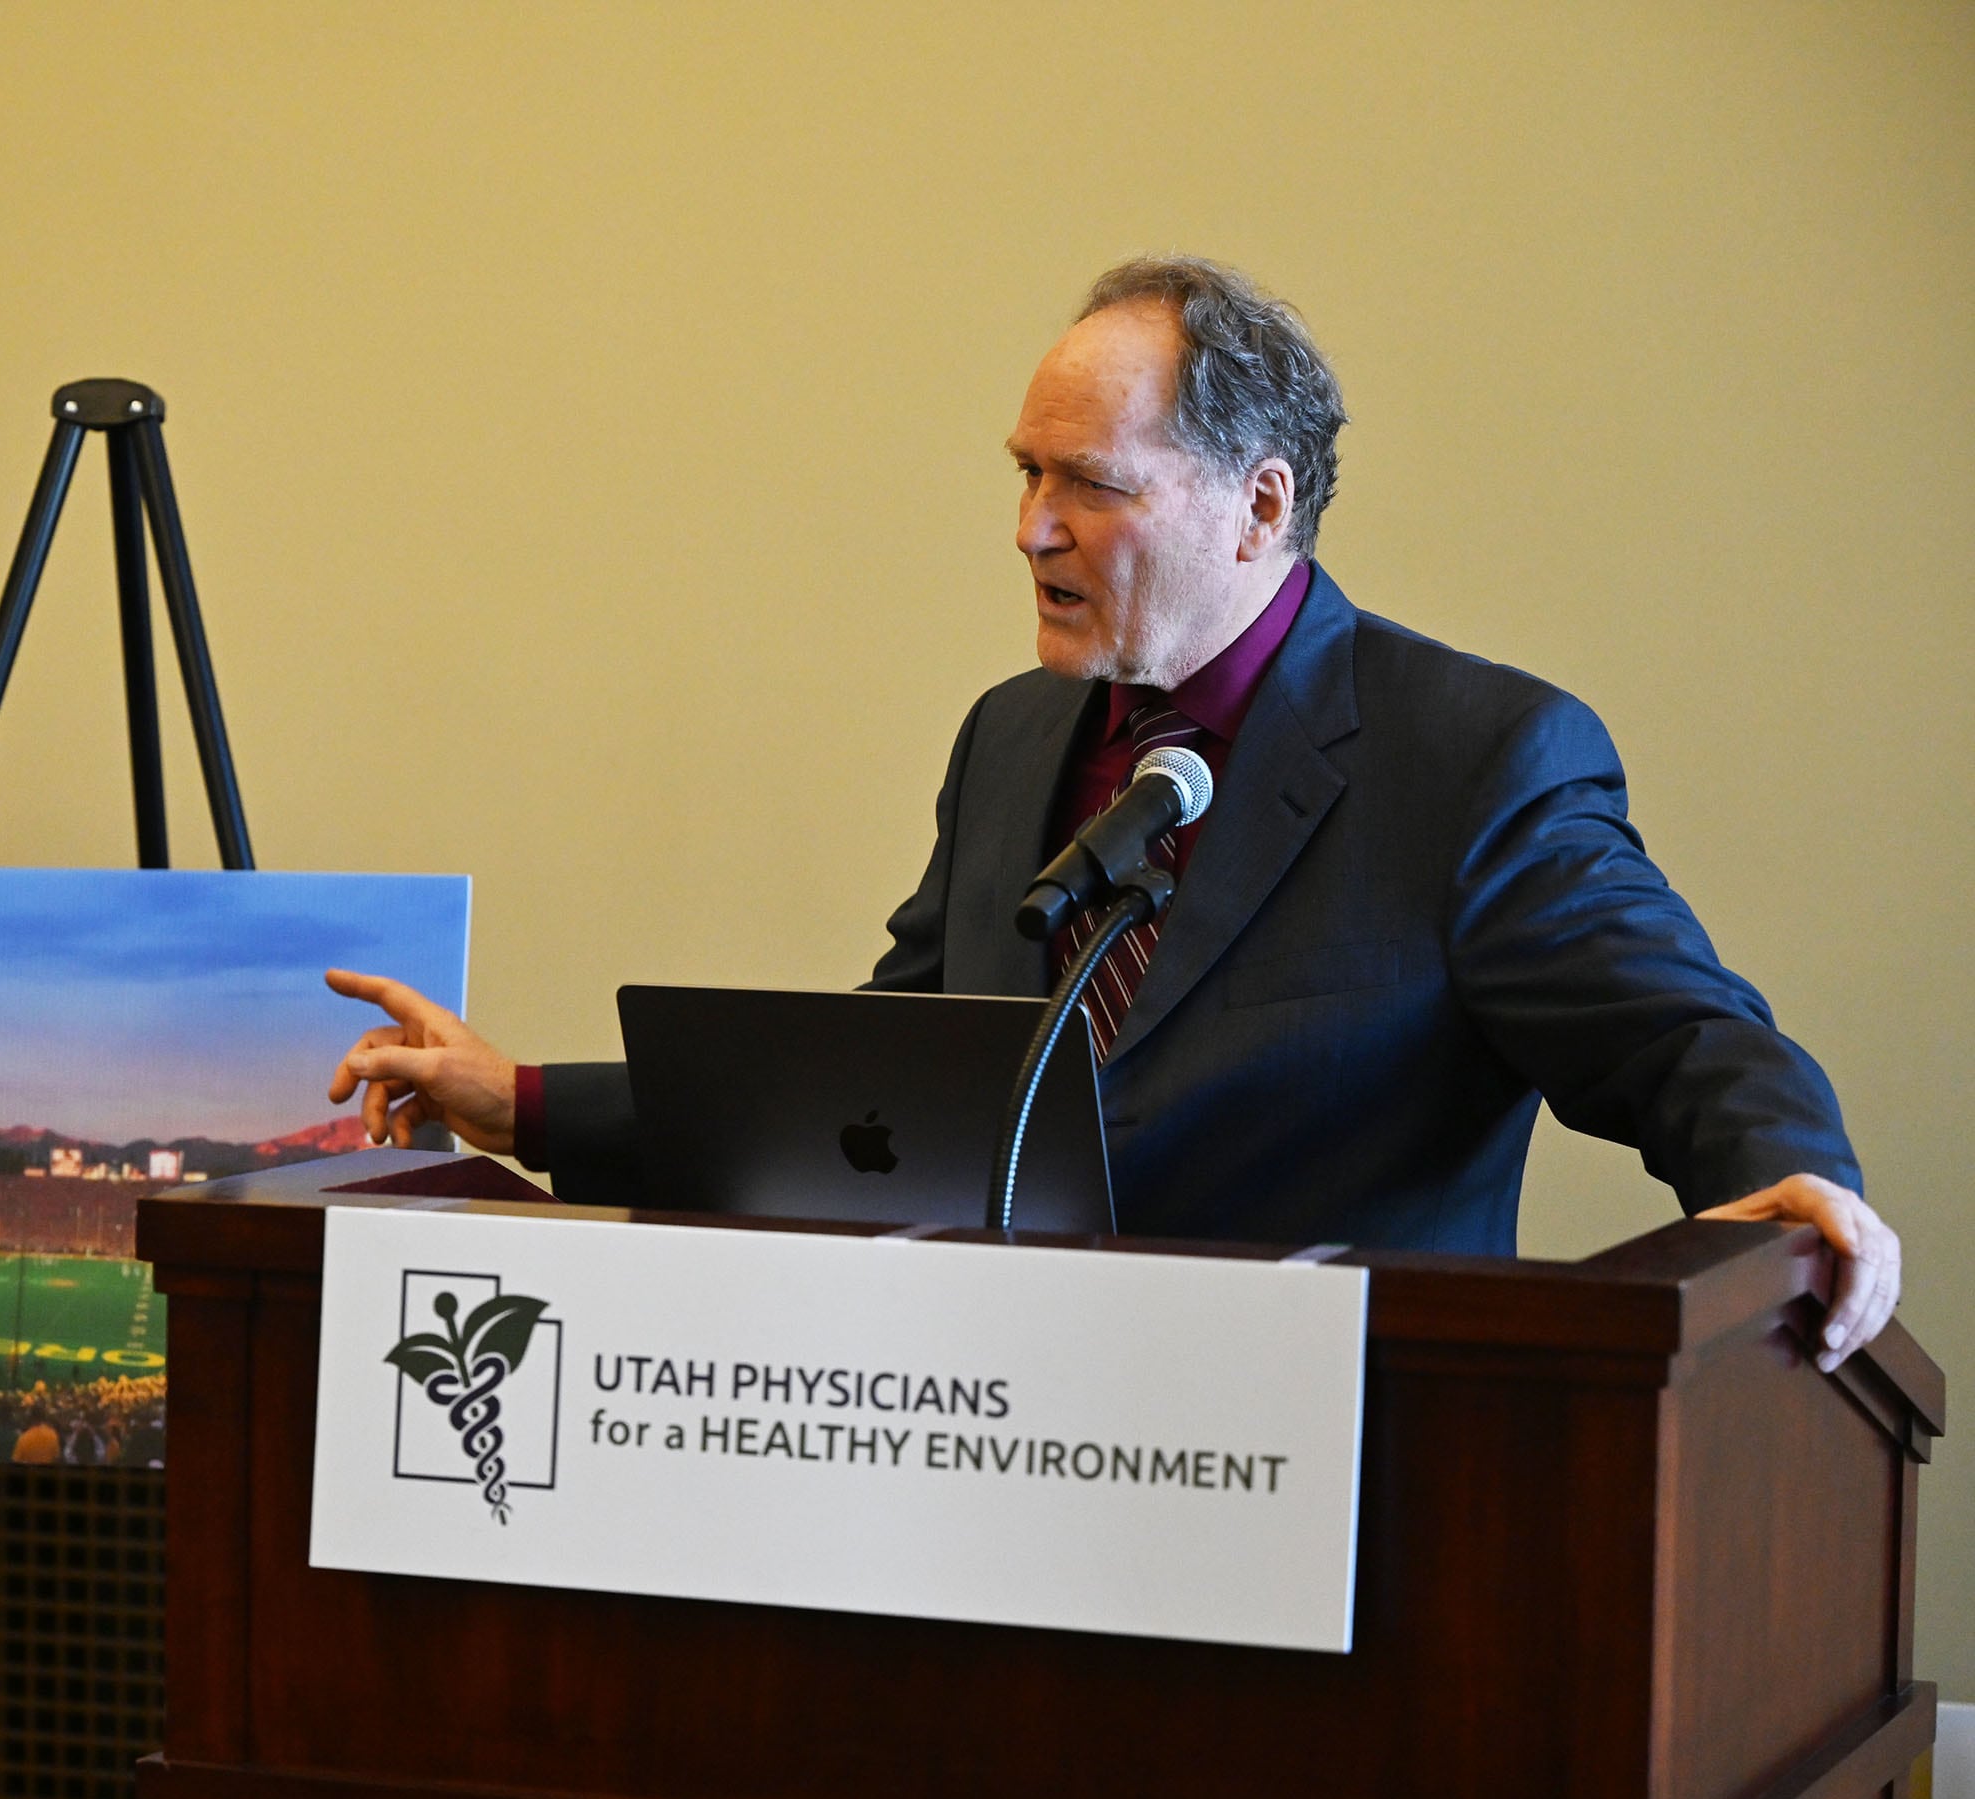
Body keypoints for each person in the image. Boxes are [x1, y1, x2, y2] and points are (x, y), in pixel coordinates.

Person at [327, 256, 1900, 1371]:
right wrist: (516, 1099)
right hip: (982, 1459)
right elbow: (867, 1096)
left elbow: (1682, 1039)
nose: (1030, 530)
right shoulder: (1014, 740)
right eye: (1023, 475)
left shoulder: (1470, 754)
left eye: (1090, 484)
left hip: (1337, 1500)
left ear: (1261, 502)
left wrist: (1794, 1183)